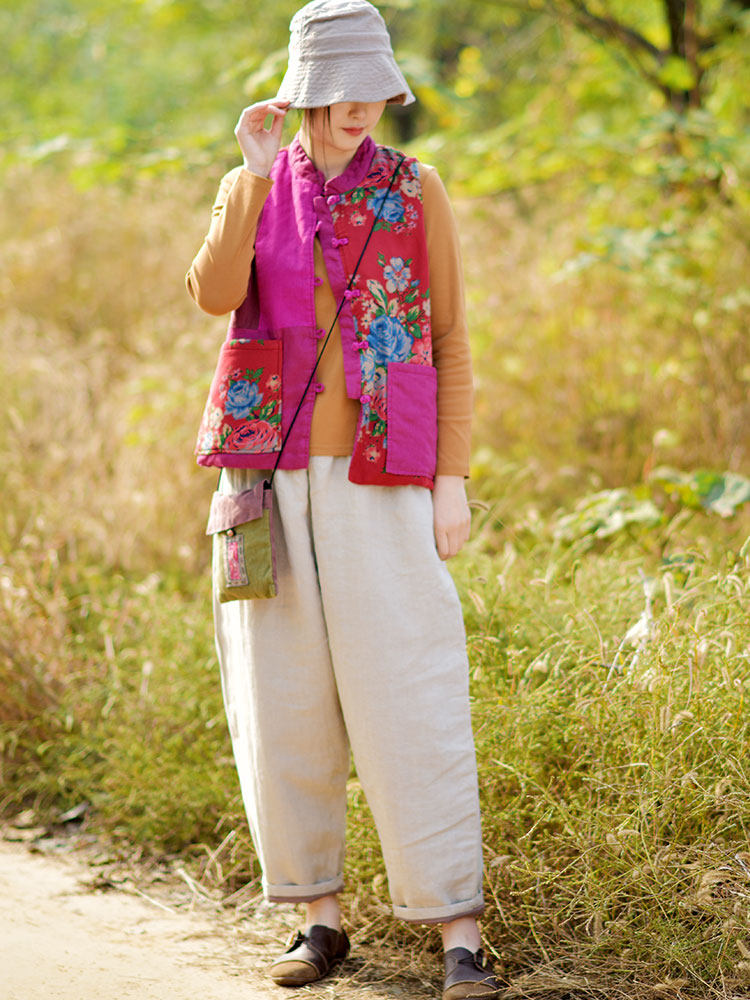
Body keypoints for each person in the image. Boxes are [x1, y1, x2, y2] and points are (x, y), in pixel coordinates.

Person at [186, 2, 501, 997]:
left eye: (374, 88)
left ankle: (459, 931)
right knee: (282, 701)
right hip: (264, 476)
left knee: (413, 692)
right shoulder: (256, 185)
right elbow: (212, 294)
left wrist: (451, 481)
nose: (362, 106)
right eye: (341, 90)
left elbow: (449, 338)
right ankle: (318, 919)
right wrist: (249, 174)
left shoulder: (415, 188)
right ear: (304, 92)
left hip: (385, 469)